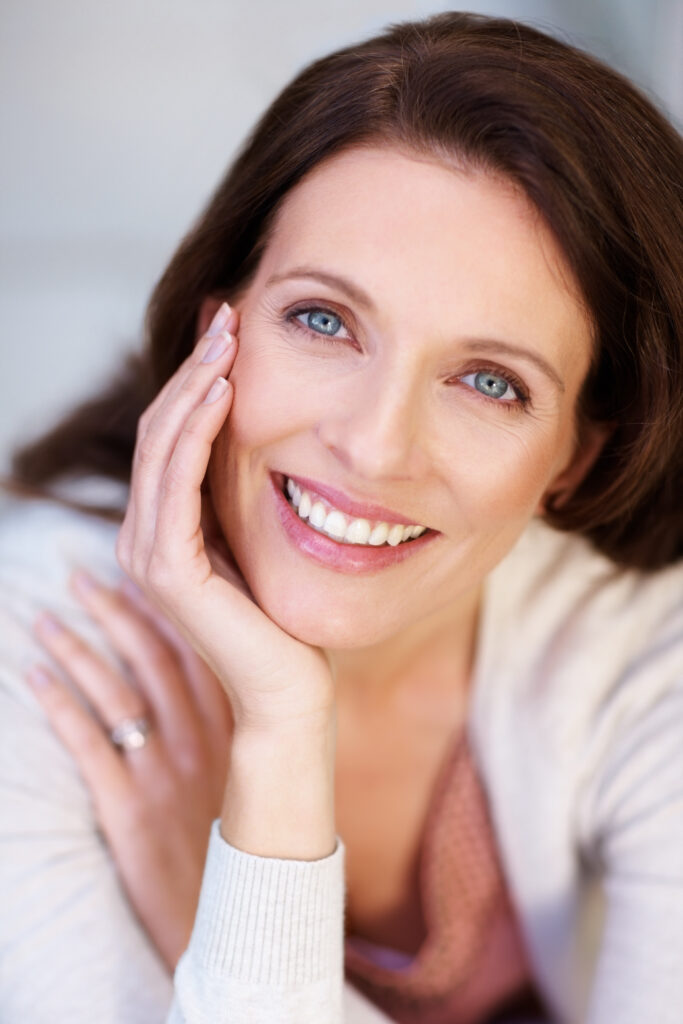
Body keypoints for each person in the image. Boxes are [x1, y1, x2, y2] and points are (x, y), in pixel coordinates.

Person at [0, 10, 681, 1024]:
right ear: (215, 328)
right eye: (321, 319)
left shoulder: (642, 646)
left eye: (488, 382)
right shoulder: (37, 663)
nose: (372, 446)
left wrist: (208, 902)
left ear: (573, 458)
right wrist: (284, 720)